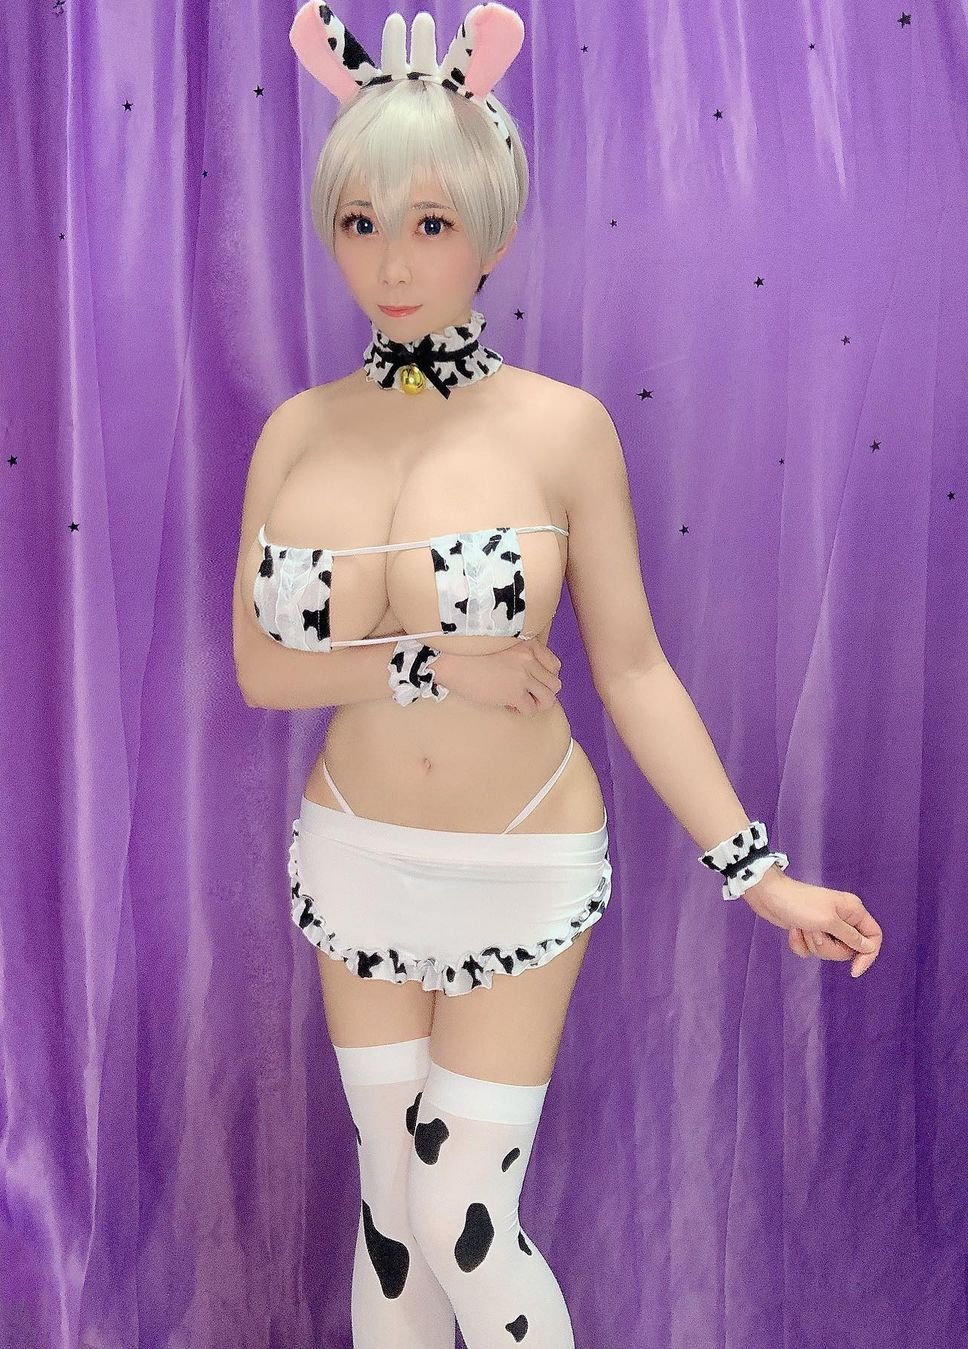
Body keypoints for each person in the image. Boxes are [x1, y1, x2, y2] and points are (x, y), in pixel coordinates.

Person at [232, 5, 883, 1345]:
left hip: (522, 854)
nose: (392, 261)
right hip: (353, 848)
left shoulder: (562, 428)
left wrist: (758, 874)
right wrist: (428, 661)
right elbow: (258, 669)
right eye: (361, 222)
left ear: (492, 229)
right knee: (390, 1199)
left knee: (463, 1200)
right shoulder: (295, 432)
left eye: (429, 222)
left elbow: (633, 668)